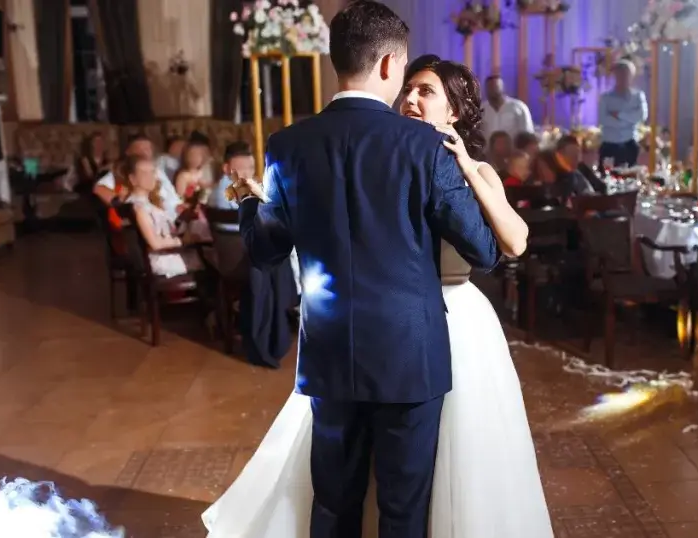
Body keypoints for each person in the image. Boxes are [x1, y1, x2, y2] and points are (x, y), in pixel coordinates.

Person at [206, 3, 548, 538]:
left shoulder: (287, 146)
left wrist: (251, 205)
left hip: (329, 349)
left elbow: (268, 250)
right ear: (390, 65)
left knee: (333, 503)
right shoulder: (423, 147)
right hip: (410, 355)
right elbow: (485, 252)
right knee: (402, 509)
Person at [598, 59, 647, 168]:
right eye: (619, 74)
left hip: (629, 144)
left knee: (630, 178)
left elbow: (641, 116)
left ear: (632, 76)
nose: (622, 78)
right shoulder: (606, 98)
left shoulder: (638, 96)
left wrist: (619, 115)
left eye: (626, 74)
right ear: (615, 76)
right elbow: (603, 120)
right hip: (609, 144)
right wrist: (629, 121)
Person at [480, 74, 534, 141]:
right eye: (490, 87)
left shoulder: (519, 107)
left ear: (503, 87)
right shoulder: (481, 109)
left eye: (496, 86)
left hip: (513, 150)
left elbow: (527, 133)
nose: (493, 89)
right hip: (487, 150)